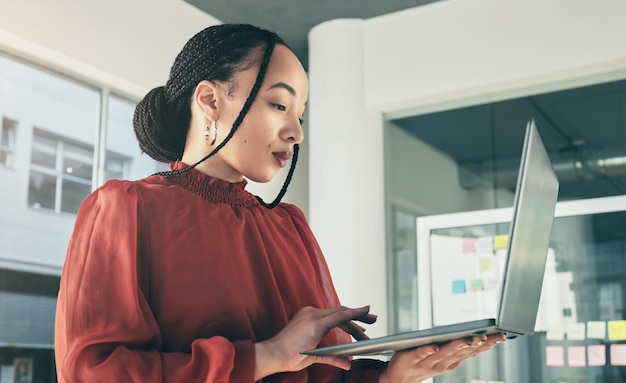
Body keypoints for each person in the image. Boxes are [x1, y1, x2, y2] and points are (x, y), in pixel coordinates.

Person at [54, 23, 505, 382]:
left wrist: (393, 376)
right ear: (210, 100)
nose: (297, 132)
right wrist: (266, 356)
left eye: (300, 114)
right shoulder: (125, 208)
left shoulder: (289, 225)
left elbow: (322, 371)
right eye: (278, 105)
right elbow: (92, 372)